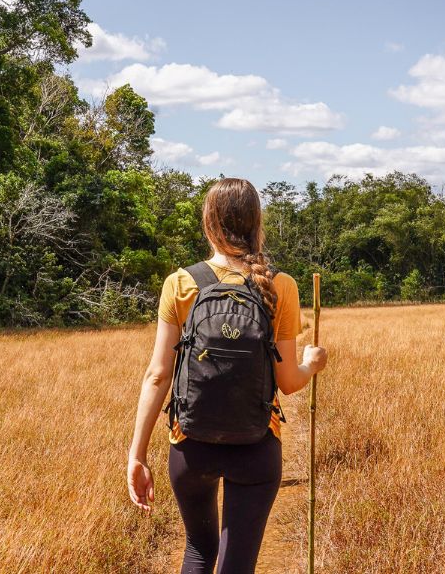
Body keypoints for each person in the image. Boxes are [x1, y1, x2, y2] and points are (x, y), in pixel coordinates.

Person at [125, 178, 328, 574]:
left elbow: (157, 375)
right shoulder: (280, 286)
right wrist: (312, 363)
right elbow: (288, 382)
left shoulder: (180, 283)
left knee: (199, 551)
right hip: (256, 446)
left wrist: (137, 455)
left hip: (190, 445)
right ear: (256, 223)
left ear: (208, 222)